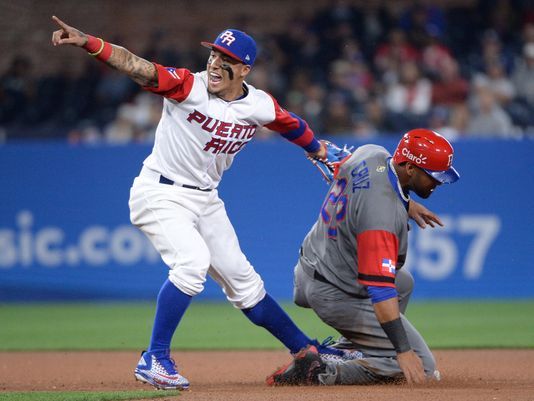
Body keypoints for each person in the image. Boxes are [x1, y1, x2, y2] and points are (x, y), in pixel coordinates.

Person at [51, 17, 439, 391]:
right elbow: (139, 67)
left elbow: (291, 124)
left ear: (245, 70)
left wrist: (319, 150)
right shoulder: (189, 87)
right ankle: (155, 358)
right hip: (160, 192)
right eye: (214, 55)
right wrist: (89, 43)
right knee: (191, 266)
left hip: (205, 199)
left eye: (227, 60)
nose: (215, 64)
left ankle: (306, 349)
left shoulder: (258, 105)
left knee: (245, 284)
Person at [268, 128, 460, 386]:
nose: (438, 183)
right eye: (433, 176)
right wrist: (402, 351)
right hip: (332, 292)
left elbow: (332, 160)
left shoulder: (373, 154)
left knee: (403, 283)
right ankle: (320, 371)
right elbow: (380, 291)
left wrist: (406, 203)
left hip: (313, 267)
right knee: (423, 367)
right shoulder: (381, 216)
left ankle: (347, 350)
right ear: (410, 168)